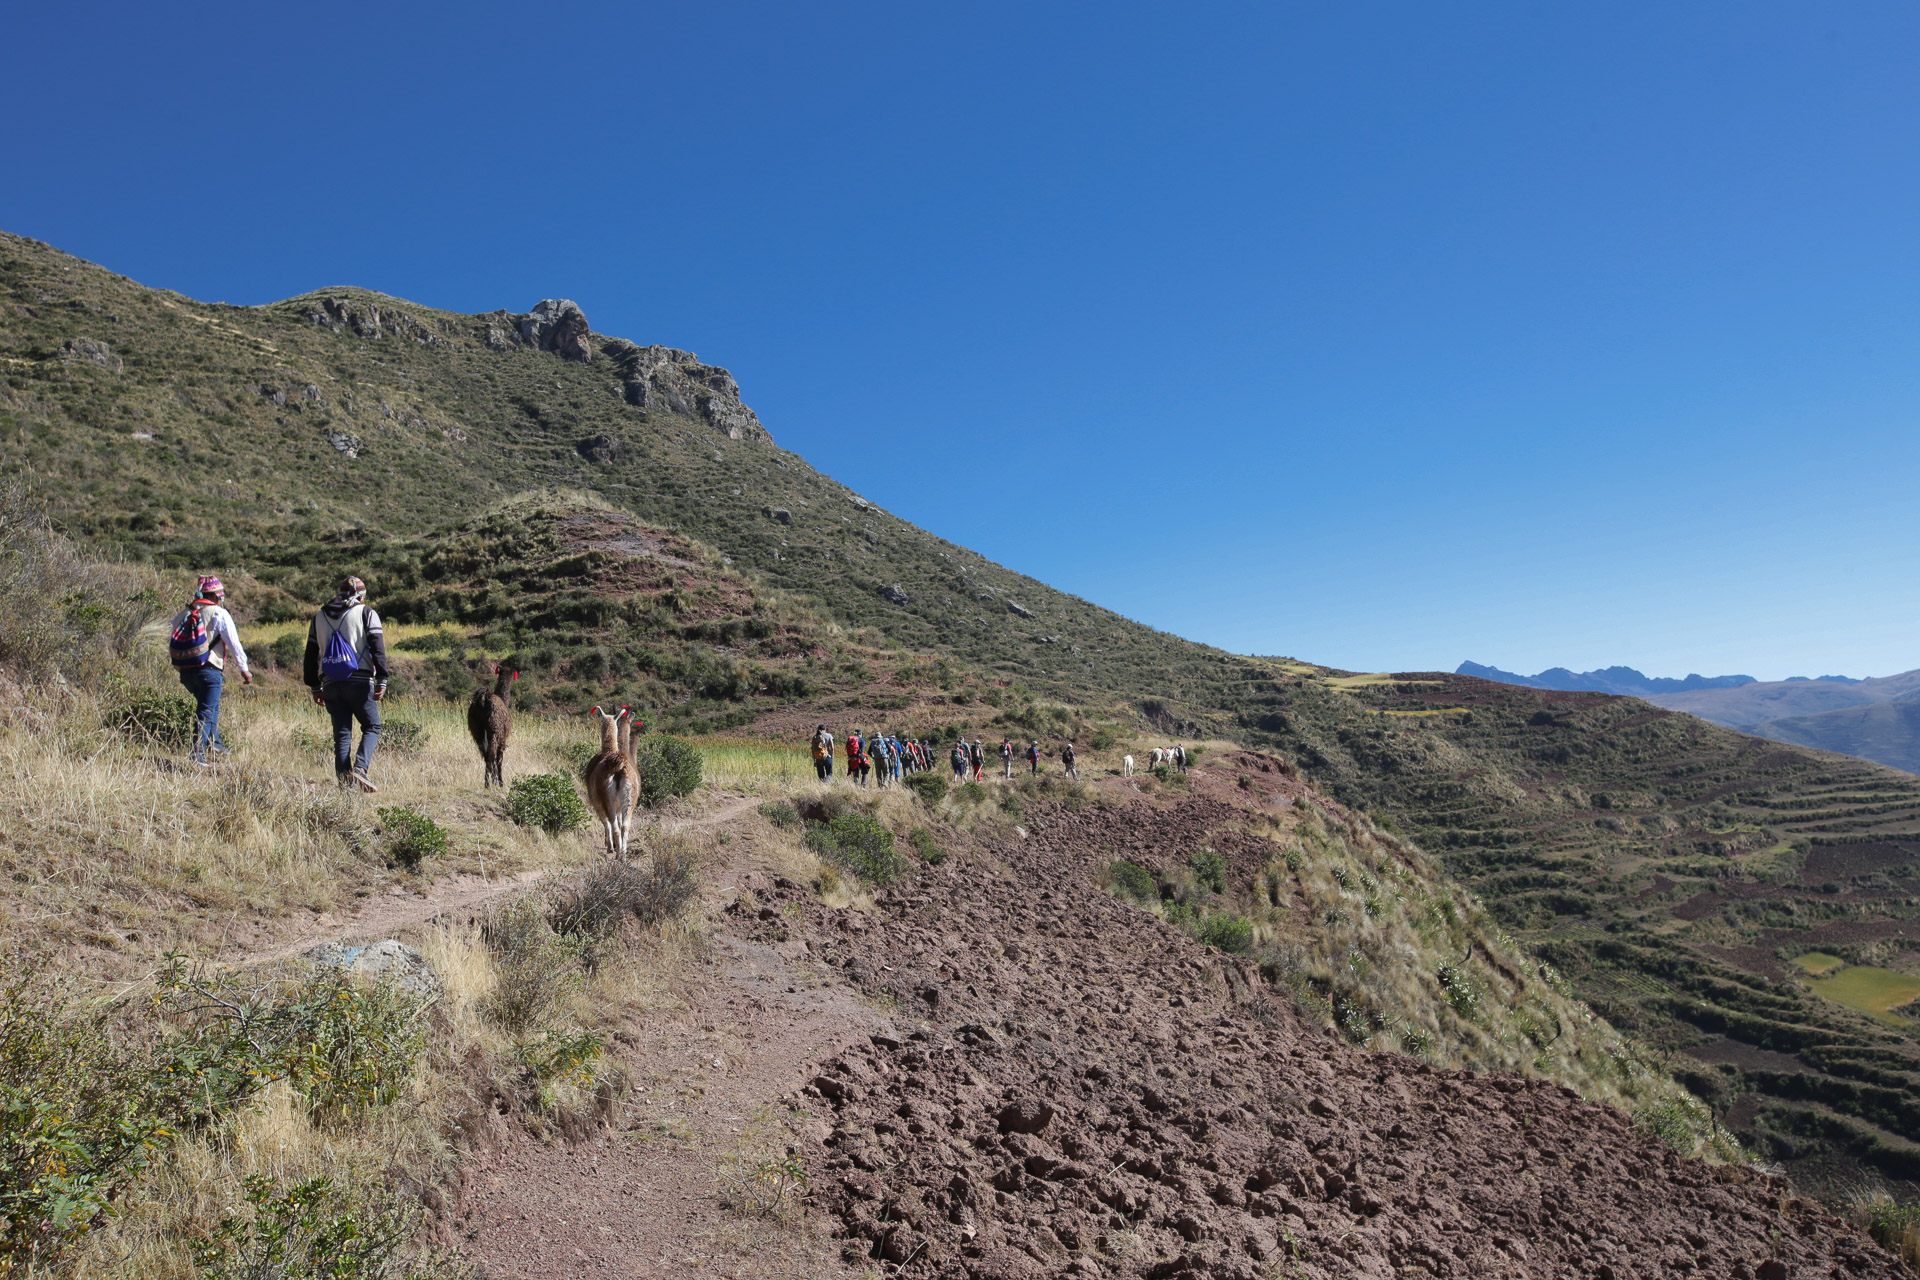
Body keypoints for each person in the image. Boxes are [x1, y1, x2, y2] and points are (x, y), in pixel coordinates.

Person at [302, 575, 389, 792]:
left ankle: (344, 787)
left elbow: (311, 654)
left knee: (342, 734)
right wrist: (383, 679)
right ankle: (360, 768)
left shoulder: (319, 617)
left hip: (330, 683)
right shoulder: (366, 612)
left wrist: (314, 685)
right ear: (361, 595)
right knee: (372, 726)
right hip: (359, 681)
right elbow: (377, 647)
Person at [168, 574, 252, 767]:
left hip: (186, 671)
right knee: (206, 710)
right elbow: (234, 643)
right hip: (210, 669)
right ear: (216, 596)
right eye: (220, 596)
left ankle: (216, 744)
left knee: (209, 705)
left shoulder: (183, 614)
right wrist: (244, 669)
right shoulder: (218, 613)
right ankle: (197, 754)